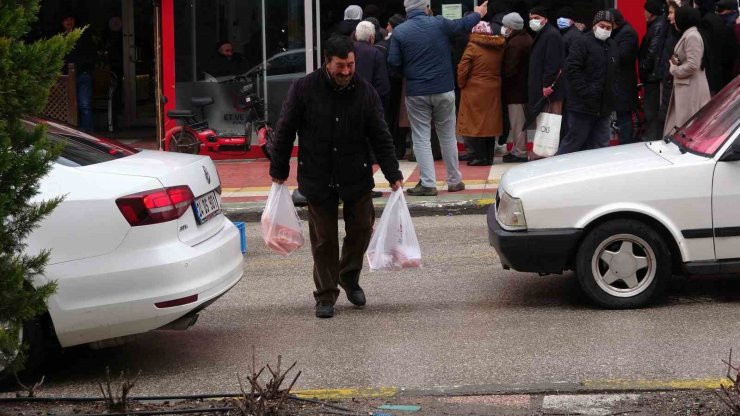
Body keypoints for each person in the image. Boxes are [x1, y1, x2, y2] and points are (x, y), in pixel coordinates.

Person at [269, 35, 403, 319]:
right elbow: (284, 131)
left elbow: (381, 136)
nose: (346, 72)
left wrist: (393, 174)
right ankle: (326, 294)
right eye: (340, 66)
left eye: (350, 65)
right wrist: (279, 172)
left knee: (361, 230)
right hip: (317, 174)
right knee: (324, 239)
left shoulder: (365, 92)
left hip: (356, 173)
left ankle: (349, 276)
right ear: (326, 63)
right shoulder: (304, 89)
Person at [388, 0, 488, 197]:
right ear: (426, 7)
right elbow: (462, 25)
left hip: (416, 91)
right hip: (443, 88)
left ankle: (428, 183)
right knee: (447, 135)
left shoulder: (400, 32)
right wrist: (478, 13)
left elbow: (393, 62)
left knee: (421, 138)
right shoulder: (440, 23)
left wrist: (409, 73)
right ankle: (455, 180)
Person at [556, 10, 619, 155]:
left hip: (603, 108)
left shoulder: (612, 46)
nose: (605, 30)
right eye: (602, 26)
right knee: (573, 143)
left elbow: (615, 72)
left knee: (601, 145)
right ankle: (557, 172)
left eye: (609, 28)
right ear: (594, 25)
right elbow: (571, 70)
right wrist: (586, 92)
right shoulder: (581, 43)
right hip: (581, 107)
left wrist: (613, 93)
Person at [455, 21, 505, 166]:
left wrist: (461, 84)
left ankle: (479, 157)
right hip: (493, 87)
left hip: (474, 88)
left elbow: (462, 68)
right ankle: (489, 157)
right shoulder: (498, 46)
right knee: (489, 124)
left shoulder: (472, 46)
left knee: (474, 124)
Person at [663, 7, 711, 136]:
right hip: (687, 86)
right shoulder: (690, 33)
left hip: (690, 89)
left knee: (688, 128)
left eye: (676, 17)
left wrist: (674, 69)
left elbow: (693, 65)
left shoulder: (692, 36)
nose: (673, 20)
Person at [527, 6, 566, 144]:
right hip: (543, 89)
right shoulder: (544, 34)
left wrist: (547, 85)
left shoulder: (551, 35)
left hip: (549, 91)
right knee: (544, 121)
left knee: (549, 123)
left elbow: (552, 63)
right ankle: (544, 150)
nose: (533, 21)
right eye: (531, 19)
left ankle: (549, 151)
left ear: (545, 19)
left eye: (536, 18)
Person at [500, 12, 533, 163]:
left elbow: (509, 69)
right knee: (519, 121)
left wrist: (502, 80)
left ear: (511, 27)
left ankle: (519, 151)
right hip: (523, 88)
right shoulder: (525, 38)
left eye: (505, 26)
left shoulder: (515, 43)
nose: (503, 28)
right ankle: (517, 149)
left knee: (517, 122)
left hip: (516, 90)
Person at [639, 0, 669, 141]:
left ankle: (652, 140)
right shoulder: (656, 25)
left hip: (652, 77)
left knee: (652, 112)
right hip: (652, 76)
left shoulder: (657, 27)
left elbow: (652, 52)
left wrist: (644, 67)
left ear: (650, 13)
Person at [609, 9, 640, 144]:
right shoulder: (619, 32)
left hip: (624, 83)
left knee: (624, 116)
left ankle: (626, 145)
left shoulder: (627, 33)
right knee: (622, 116)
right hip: (619, 83)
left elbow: (622, 56)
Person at [61, 13, 95, 132]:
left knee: (84, 105)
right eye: (65, 19)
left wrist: (84, 68)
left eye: (71, 18)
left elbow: (89, 54)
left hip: (82, 74)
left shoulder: (83, 36)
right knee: (68, 107)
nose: (68, 22)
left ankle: (89, 133)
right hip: (66, 77)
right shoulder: (60, 38)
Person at [353, 21, 391, 108]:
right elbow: (383, 87)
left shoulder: (347, 50)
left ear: (356, 36)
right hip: (369, 103)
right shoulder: (376, 54)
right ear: (371, 38)